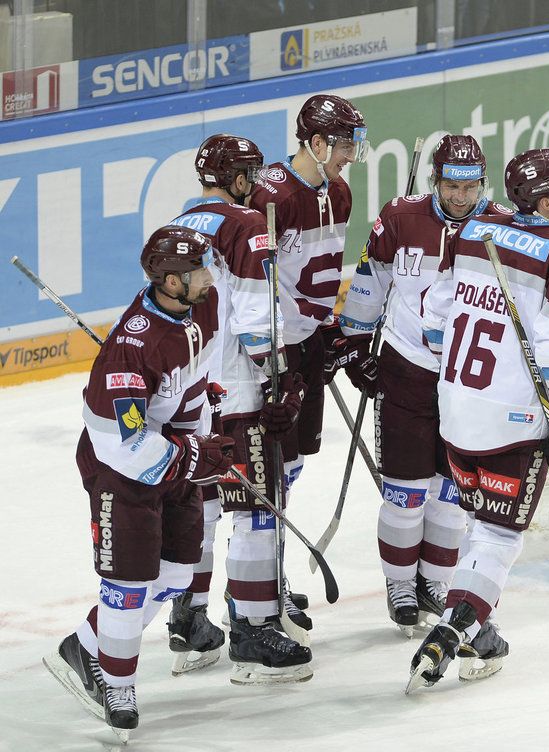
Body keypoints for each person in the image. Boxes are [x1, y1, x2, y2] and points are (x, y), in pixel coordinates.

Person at [406, 148, 549, 691]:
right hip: (512, 425)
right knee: (498, 537)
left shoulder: (474, 231)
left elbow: (436, 321)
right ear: (547, 201)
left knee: (479, 523)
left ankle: (478, 635)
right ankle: (452, 628)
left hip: (457, 410)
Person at [43, 226, 232, 740]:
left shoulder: (204, 305)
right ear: (171, 281)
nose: (209, 278)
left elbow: (202, 376)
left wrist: (212, 425)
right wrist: (193, 455)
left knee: (175, 575)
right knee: (128, 584)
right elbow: (120, 445)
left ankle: (85, 645)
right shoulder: (131, 349)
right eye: (197, 271)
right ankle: (117, 684)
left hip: (175, 459)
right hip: (121, 473)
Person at [338, 135, 512, 637]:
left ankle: (434, 583)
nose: (461, 197)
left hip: (468, 379)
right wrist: (353, 342)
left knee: (452, 493)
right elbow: (372, 279)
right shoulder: (400, 217)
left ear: (484, 182)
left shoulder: (500, 225)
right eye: (451, 186)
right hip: (407, 365)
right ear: (435, 180)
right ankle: (399, 587)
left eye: (470, 186)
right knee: (405, 493)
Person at [168, 133, 312, 684]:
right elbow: (256, 319)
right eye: (250, 176)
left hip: (190, 393)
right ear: (238, 179)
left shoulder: (178, 227)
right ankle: (252, 632)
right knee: (256, 508)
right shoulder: (246, 226)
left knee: (200, 507)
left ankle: (189, 620)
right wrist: (281, 381)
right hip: (239, 392)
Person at [248, 94, 368, 633]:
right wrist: (277, 351)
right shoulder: (269, 196)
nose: (349, 155)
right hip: (275, 348)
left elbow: (323, 272)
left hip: (310, 340)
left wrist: (331, 330)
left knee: (292, 464)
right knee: (266, 469)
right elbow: (253, 284)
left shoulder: (338, 192)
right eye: (343, 145)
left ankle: (271, 574)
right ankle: (256, 587)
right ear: (316, 143)